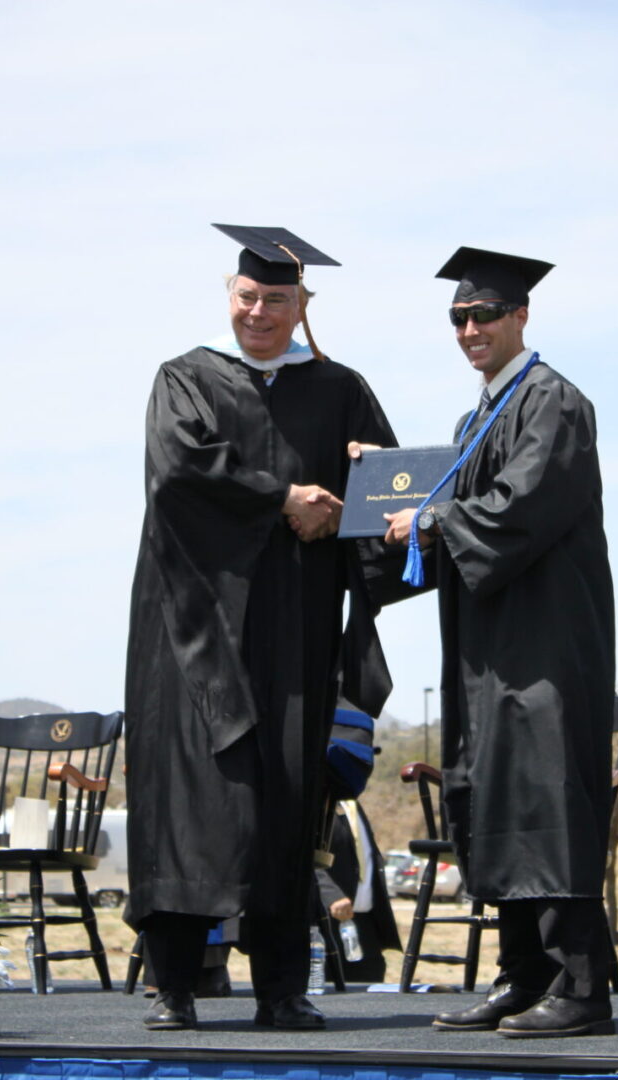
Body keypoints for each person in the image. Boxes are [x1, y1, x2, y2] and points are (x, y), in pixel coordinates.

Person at [125, 224, 397, 1032]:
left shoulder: (339, 387)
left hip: (297, 626)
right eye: (248, 297)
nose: (260, 314)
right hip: (192, 627)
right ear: (229, 293)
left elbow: (386, 483)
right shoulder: (186, 378)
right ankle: (173, 982)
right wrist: (284, 500)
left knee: (286, 792)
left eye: (278, 300)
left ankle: (282, 985)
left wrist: (357, 497)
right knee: (187, 797)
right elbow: (178, 473)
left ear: (302, 304)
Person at [378, 247, 617, 1038]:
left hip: (547, 641)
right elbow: (447, 513)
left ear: (521, 316)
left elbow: (522, 505)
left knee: (549, 797)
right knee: (501, 795)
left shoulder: (554, 401)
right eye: (458, 318)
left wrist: (434, 520)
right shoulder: (475, 416)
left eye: (485, 314)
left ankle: (580, 988)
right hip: (489, 644)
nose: (471, 328)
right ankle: (522, 977)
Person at [315, 798, 400, 985]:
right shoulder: (312, 799)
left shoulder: (351, 804)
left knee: (368, 996)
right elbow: (302, 855)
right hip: (323, 922)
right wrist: (331, 895)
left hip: (363, 924)